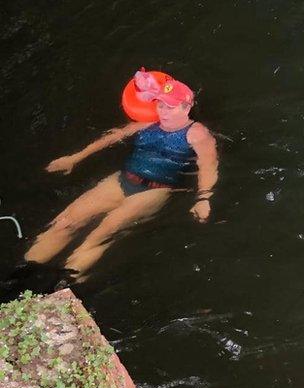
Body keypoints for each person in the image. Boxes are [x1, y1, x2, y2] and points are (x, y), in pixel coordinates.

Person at [24, 73, 218, 283]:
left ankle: (59, 285)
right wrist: (75, 158)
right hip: (122, 180)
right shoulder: (147, 123)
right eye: (160, 105)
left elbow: (208, 166)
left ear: (186, 107)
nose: (163, 111)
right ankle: (23, 274)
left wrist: (203, 198)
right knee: (65, 221)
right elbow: (112, 137)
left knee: (101, 234)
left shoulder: (197, 133)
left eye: (170, 107)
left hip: (155, 190)